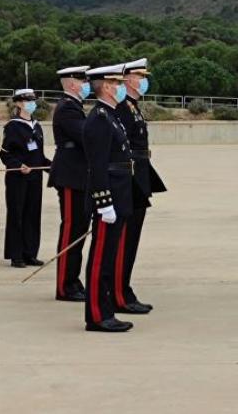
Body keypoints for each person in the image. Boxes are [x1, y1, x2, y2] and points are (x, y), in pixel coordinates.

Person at [81, 64, 134, 333]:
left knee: (109, 258)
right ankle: (97, 316)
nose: (121, 87)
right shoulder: (99, 119)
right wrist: (104, 202)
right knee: (100, 259)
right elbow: (98, 165)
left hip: (120, 194)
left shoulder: (111, 115)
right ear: (106, 86)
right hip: (109, 198)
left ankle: (106, 310)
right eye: (117, 83)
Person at [113, 58, 167, 315]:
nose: (143, 81)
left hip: (138, 178)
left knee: (131, 240)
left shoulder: (132, 106)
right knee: (125, 241)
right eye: (139, 76)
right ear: (127, 80)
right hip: (129, 181)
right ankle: (119, 293)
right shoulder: (123, 107)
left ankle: (123, 289)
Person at [49, 65, 91, 302]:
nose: (86, 84)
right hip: (70, 176)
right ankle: (65, 285)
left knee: (79, 230)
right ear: (72, 83)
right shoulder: (67, 108)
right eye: (83, 80)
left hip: (78, 175)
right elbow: (85, 136)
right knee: (71, 229)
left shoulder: (74, 107)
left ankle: (73, 281)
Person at [0, 89, 50, 268]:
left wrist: (53, 167)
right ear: (19, 103)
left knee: (32, 215)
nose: (32, 103)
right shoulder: (13, 126)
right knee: (17, 215)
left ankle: (30, 253)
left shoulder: (36, 125)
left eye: (33, 100)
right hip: (18, 178)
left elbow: (39, 156)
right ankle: (16, 255)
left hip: (35, 177)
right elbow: (4, 154)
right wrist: (18, 165)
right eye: (28, 100)